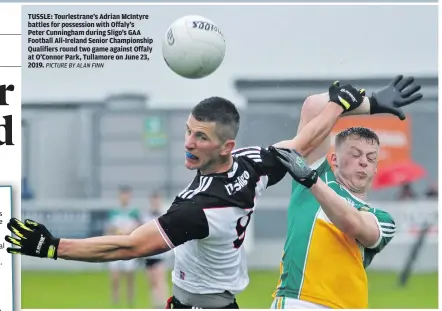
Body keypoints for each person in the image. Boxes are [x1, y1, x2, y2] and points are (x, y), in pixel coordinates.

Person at [4, 76, 413, 309]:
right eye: (188, 130)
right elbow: (304, 142)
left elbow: (127, 247)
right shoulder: (251, 164)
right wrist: (360, 102)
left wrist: (55, 246)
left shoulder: (202, 209)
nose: (189, 142)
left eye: (200, 137)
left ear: (225, 146)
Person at [268, 75, 423, 309]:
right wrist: (370, 104)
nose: (363, 162)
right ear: (334, 159)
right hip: (298, 301)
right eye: (355, 154)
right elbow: (313, 107)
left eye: (371, 158)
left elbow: (352, 224)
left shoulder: (381, 219)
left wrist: (310, 181)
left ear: (375, 168)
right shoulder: (317, 175)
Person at [105, 185, 142, 307]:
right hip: (116, 247)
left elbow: (139, 228)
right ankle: (115, 300)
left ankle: (130, 300)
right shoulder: (114, 212)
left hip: (128, 247)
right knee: (114, 277)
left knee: (129, 276)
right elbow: (109, 229)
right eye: (123, 195)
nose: (125, 198)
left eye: (127, 195)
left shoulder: (134, 212)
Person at [142, 191, 170, 308]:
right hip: (149, 253)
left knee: (160, 279)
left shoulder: (164, 214)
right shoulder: (146, 215)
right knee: (151, 281)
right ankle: (155, 304)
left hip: (160, 253)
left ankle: (164, 303)